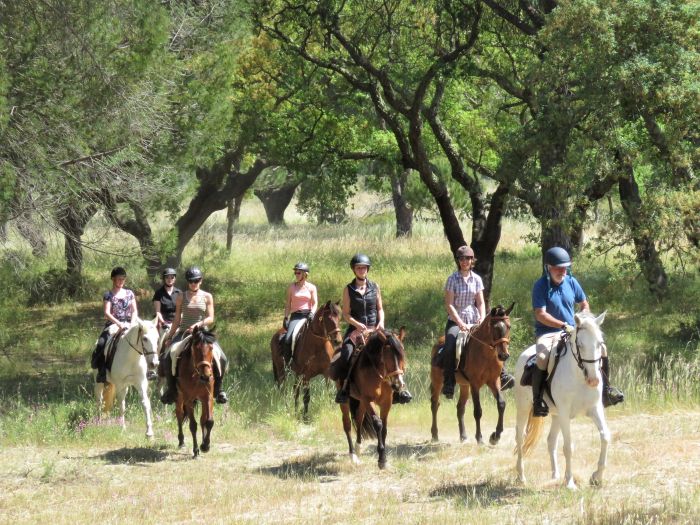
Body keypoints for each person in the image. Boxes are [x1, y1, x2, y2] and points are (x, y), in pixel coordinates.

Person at [531, 246, 624, 417]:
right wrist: (563, 325)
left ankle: (606, 391)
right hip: (548, 332)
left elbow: (584, 303)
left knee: (601, 348)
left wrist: (584, 320)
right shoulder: (540, 286)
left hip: (573, 329)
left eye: (565, 267)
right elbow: (540, 315)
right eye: (558, 268)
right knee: (543, 357)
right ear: (548, 268)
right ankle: (538, 401)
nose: (562, 271)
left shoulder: (571, 282)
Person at [440, 246, 515, 399]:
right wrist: (459, 322)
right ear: (458, 261)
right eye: (461, 259)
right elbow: (449, 304)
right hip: (456, 320)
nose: (465, 261)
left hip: (474, 319)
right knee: (449, 345)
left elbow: (480, 302)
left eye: (468, 258)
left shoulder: (477, 279)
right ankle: (449, 382)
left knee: (496, 340)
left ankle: (503, 374)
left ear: (472, 260)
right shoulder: (452, 279)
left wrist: (481, 317)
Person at [160, 266, 228, 405]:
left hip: (202, 333)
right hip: (184, 331)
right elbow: (177, 319)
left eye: (196, 281)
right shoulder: (181, 296)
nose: (193, 283)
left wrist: (199, 325)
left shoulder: (207, 296)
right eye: (191, 281)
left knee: (222, 357)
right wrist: (170, 336)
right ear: (187, 282)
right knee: (168, 356)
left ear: (201, 281)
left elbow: (210, 318)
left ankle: (218, 390)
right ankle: (171, 390)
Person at [90, 266, 138, 383]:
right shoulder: (108, 295)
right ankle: (102, 371)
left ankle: (147, 370)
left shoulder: (129, 293)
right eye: (118, 279)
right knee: (101, 344)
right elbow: (107, 313)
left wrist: (132, 323)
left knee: (144, 340)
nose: (121, 281)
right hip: (113, 324)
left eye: (123, 279)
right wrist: (119, 324)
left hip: (129, 323)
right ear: (113, 279)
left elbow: (134, 310)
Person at [282, 262, 318, 358]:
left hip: (309, 315)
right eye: (295, 273)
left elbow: (315, 303)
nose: (296, 275)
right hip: (296, 316)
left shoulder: (312, 287)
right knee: (288, 339)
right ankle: (288, 363)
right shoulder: (291, 287)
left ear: (305, 274)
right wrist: (286, 317)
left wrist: (312, 313)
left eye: (299, 273)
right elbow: (288, 304)